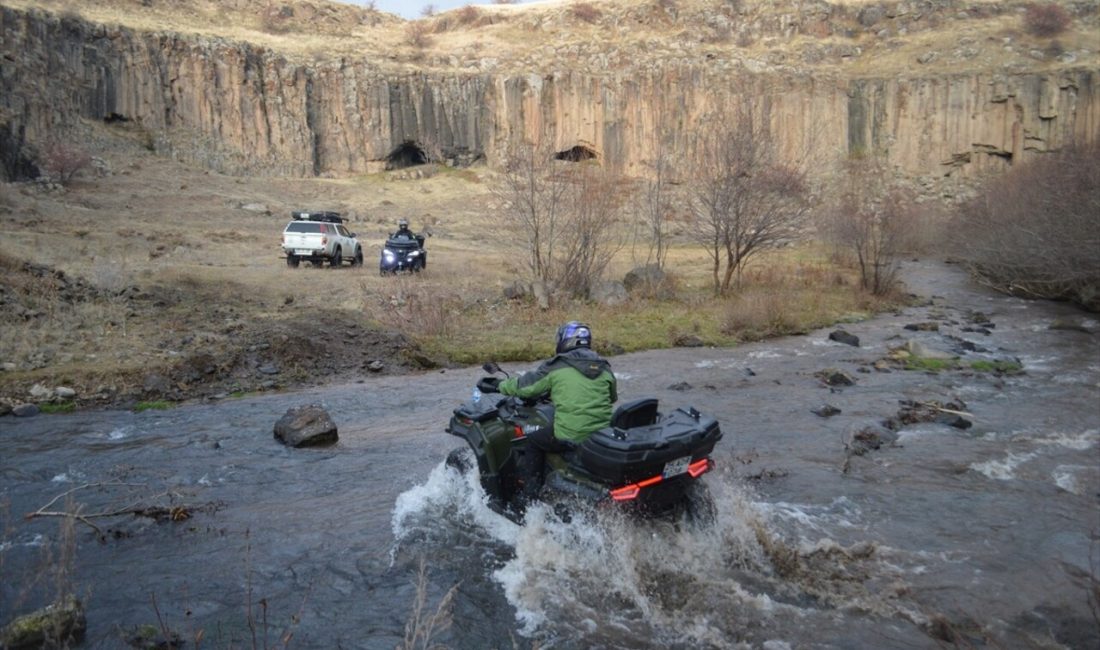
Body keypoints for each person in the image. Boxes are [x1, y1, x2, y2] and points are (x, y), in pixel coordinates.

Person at [496, 321, 617, 506]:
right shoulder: (604, 367)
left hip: (570, 435)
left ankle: (530, 497)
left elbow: (526, 387)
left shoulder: (557, 366)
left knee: (534, 440)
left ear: (565, 341)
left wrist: (500, 385)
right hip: (600, 436)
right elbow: (612, 397)